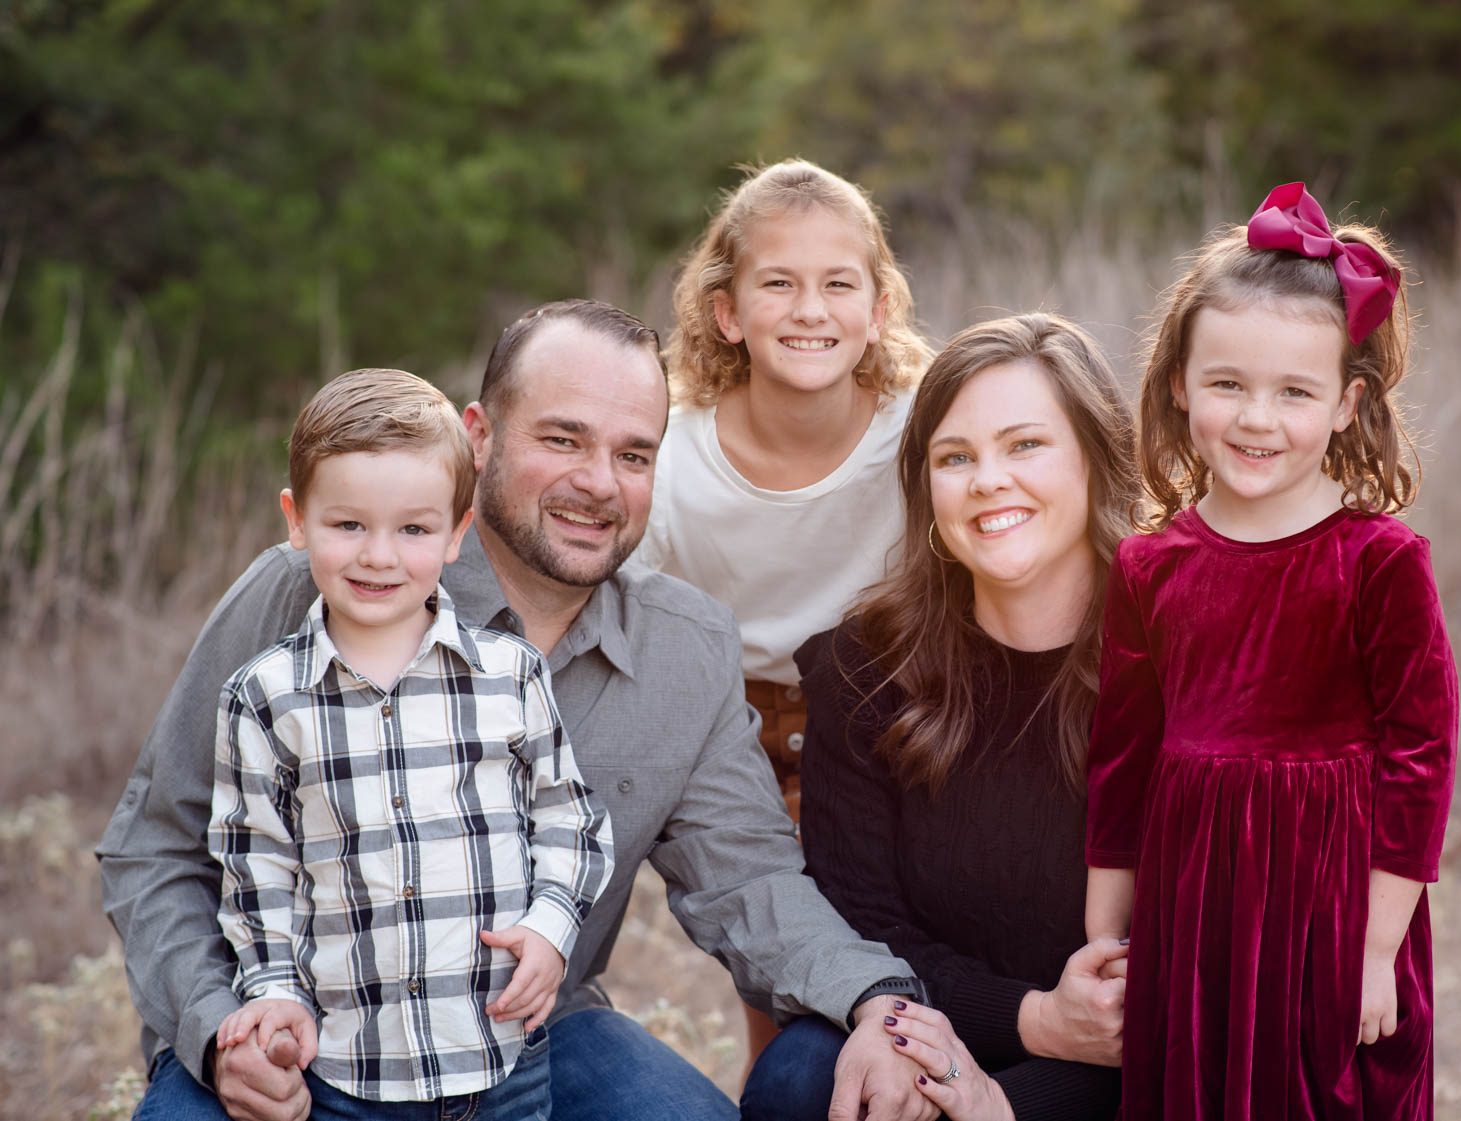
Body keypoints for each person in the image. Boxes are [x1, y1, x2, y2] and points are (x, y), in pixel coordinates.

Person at [98, 299, 938, 1121]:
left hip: (529, 1033)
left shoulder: (688, 651)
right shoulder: (313, 588)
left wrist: (878, 999)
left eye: (634, 455)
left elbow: (748, 879)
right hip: (294, 1031)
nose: (598, 483)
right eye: (562, 438)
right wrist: (217, 1029)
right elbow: (157, 843)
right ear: (478, 436)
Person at [1084, 183, 1458, 1120]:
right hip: (1194, 905)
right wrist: (1104, 935)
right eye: (1228, 384)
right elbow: (1122, 758)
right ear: (1180, 384)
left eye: (1295, 392)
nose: (1257, 418)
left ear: (1346, 403)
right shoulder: (1149, 565)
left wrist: (1377, 956)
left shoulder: (1379, 563)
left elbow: (1422, 765)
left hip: (1331, 911)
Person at [741, 313, 1139, 1121]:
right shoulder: (864, 666)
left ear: (1097, 459)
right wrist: (1031, 1021)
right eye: (956, 458)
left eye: (1025, 444)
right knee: (798, 1082)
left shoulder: (1177, 656)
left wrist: (1010, 1100)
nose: (988, 479)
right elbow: (861, 922)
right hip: (921, 1019)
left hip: (1121, 1056)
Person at [205, 368, 614, 1120]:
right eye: (348, 524)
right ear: (297, 521)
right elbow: (256, 863)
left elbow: (571, 819)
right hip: (347, 1066)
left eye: (414, 529)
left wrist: (550, 928)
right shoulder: (264, 696)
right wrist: (274, 991)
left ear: (458, 533)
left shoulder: (508, 673)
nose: (379, 556)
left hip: (498, 1052)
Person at [637, 158, 932, 1063]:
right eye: (779, 283)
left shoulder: (921, 427)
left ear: (878, 307)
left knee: (911, 954)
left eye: (839, 283)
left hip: (894, 711)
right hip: (735, 733)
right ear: (727, 311)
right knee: (784, 989)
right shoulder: (674, 453)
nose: (811, 309)